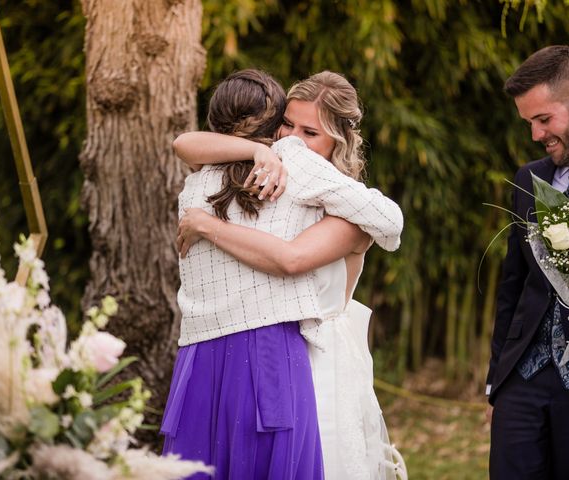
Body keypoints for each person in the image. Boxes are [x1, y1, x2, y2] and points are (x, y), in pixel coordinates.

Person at [160, 69, 404, 479]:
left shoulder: (328, 191)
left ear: (338, 142)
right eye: (285, 124)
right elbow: (184, 143)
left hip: (317, 350)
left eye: (309, 132)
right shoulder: (269, 164)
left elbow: (293, 258)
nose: (291, 139)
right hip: (271, 343)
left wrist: (207, 225)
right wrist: (260, 151)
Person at [487, 45, 569, 479]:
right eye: (529, 123)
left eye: (543, 119)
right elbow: (511, 287)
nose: (536, 135)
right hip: (522, 385)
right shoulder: (528, 179)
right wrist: (496, 387)